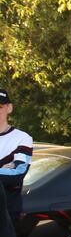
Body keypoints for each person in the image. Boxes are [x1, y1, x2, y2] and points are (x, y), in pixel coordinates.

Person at [0, 88, 33, 225]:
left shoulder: (22, 138)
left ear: (9, 108)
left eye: (0, 107)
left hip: (6, 213)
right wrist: (5, 167)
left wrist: (12, 168)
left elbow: (17, 174)